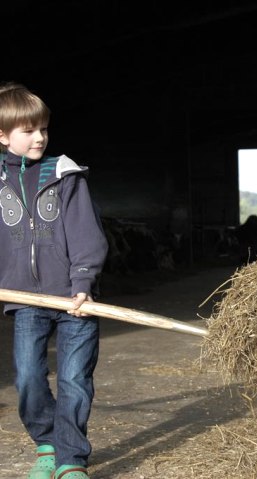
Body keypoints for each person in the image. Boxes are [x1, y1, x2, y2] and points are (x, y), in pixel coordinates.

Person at [0, 82, 108, 479]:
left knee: (75, 379)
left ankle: (70, 459)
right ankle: (46, 440)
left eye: (43, 128)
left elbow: (85, 232)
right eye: (28, 131)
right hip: (25, 297)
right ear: (2, 136)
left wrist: (83, 281)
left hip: (75, 298)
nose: (39, 137)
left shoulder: (64, 174)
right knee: (28, 377)